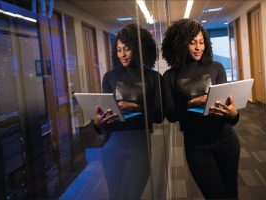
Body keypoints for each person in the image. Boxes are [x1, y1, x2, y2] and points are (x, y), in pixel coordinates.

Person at [161, 18, 240, 199]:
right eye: (193, 42)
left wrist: (234, 114)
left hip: (226, 140)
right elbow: (171, 115)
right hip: (197, 148)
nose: (198, 47)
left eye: (202, 42)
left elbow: (229, 113)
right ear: (180, 44)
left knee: (231, 194)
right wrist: (190, 103)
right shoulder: (170, 76)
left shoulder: (216, 67)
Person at [93, 24, 163, 199]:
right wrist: (98, 124)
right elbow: (106, 121)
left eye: (127, 49)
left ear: (137, 49)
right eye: (118, 50)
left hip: (138, 147)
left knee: (131, 196)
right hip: (111, 146)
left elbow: (159, 116)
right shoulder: (109, 77)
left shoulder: (153, 78)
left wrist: (135, 107)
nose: (122, 54)